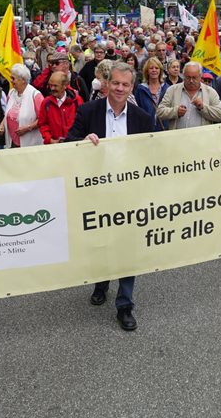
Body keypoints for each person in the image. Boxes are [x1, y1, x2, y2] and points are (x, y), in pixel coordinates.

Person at [65, 62, 154, 331]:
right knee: (101, 243)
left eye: (126, 85)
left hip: (129, 195)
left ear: (131, 87)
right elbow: (69, 143)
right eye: (115, 83)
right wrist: (82, 143)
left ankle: (125, 304)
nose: (119, 88)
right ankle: (101, 282)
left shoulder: (142, 118)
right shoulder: (88, 111)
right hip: (96, 193)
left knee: (128, 248)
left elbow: (155, 155)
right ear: (106, 82)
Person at [155, 61, 221, 130]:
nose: (191, 81)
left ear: (200, 77)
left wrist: (203, 108)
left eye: (194, 77)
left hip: (202, 139)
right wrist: (175, 111)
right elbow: (160, 112)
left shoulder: (210, 92)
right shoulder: (172, 90)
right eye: (188, 77)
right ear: (183, 75)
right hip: (177, 138)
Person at [3, 63, 44, 148]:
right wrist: (1, 125)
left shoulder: (35, 95)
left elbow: (43, 119)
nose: (10, 80)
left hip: (30, 143)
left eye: (13, 78)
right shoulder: (11, 93)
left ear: (23, 80)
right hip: (12, 143)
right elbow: (7, 114)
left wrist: (28, 128)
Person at [39, 71, 83, 143]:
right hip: (54, 146)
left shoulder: (77, 101)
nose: (52, 88)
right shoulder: (46, 103)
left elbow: (82, 122)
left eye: (55, 86)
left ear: (65, 85)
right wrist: (50, 140)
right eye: (50, 85)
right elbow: (43, 124)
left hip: (74, 144)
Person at [132, 57, 167, 127]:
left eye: (157, 68)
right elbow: (137, 109)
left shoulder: (167, 88)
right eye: (151, 68)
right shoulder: (140, 89)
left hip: (164, 128)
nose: (154, 70)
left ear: (160, 70)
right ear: (147, 71)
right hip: (146, 127)